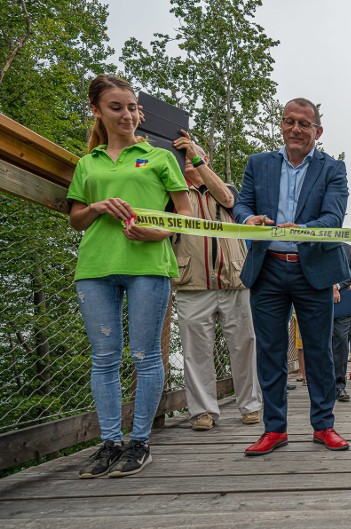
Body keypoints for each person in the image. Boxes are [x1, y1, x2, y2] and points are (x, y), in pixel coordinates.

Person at [70, 74, 192, 478]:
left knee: (145, 355)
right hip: (96, 266)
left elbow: (185, 214)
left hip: (147, 264)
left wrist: (160, 232)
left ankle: (139, 442)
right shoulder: (88, 162)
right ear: (97, 111)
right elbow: (75, 218)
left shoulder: (159, 157)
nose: (127, 115)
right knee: (104, 358)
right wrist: (98, 207)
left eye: (132, 107)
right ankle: (109, 442)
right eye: (116, 107)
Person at [233, 97, 350, 455]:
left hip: (312, 269)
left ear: (318, 130)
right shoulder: (258, 164)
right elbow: (241, 204)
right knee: (270, 351)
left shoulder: (333, 169)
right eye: (289, 121)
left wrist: (301, 229)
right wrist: (246, 219)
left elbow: (334, 217)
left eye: (304, 123)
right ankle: (275, 430)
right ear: (281, 125)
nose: (295, 129)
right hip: (267, 268)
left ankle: (323, 426)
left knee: (318, 351)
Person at [170, 134, 263, 431]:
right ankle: (202, 412)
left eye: (192, 154)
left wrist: (196, 157)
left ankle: (250, 405)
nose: (186, 158)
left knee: (244, 345)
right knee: (195, 351)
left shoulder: (224, 189)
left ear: (205, 159)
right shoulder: (171, 193)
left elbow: (228, 199)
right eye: (181, 154)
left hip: (234, 278)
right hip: (192, 282)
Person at [332, 243, 351, 402]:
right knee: (323, 343)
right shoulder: (317, 243)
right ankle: (323, 385)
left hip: (342, 303)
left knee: (342, 342)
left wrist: (337, 286)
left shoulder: (348, 249)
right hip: (320, 300)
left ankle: (339, 386)